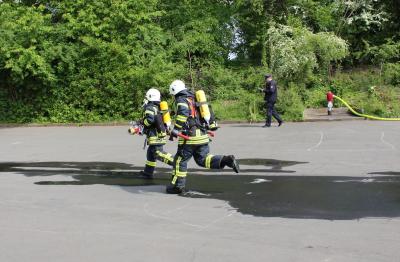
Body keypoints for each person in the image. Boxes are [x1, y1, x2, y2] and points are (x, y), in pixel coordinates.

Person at [166, 80, 240, 194]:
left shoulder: (181, 100)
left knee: (179, 161)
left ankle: (178, 186)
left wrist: (175, 130)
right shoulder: (194, 98)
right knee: (203, 159)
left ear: (174, 91)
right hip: (202, 135)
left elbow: (183, 113)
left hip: (190, 138)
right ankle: (226, 160)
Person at [137, 88, 174, 179]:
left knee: (158, 153)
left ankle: (176, 163)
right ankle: (148, 173)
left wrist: (142, 123)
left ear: (150, 97)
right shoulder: (158, 107)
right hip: (159, 134)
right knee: (150, 154)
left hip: (155, 135)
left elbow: (150, 120)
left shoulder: (150, 107)